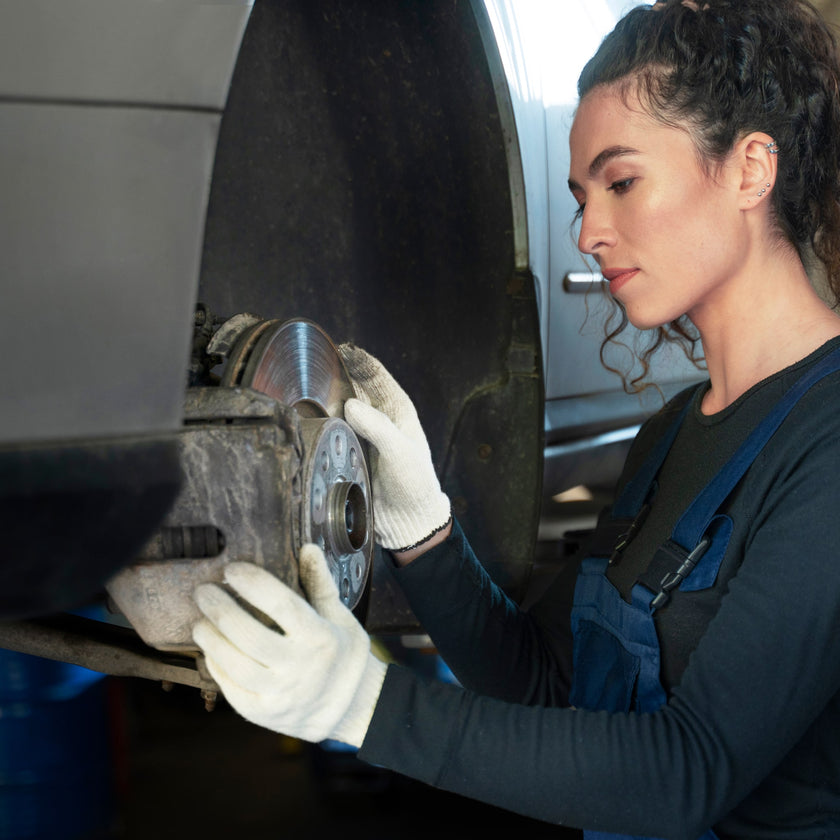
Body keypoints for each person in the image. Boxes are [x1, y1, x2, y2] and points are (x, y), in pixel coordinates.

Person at [191, 1, 840, 837]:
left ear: (751, 170)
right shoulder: (674, 433)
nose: (588, 231)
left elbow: (687, 773)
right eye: (580, 197)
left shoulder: (825, 443)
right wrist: (424, 533)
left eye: (622, 182)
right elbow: (542, 685)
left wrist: (366, 705)